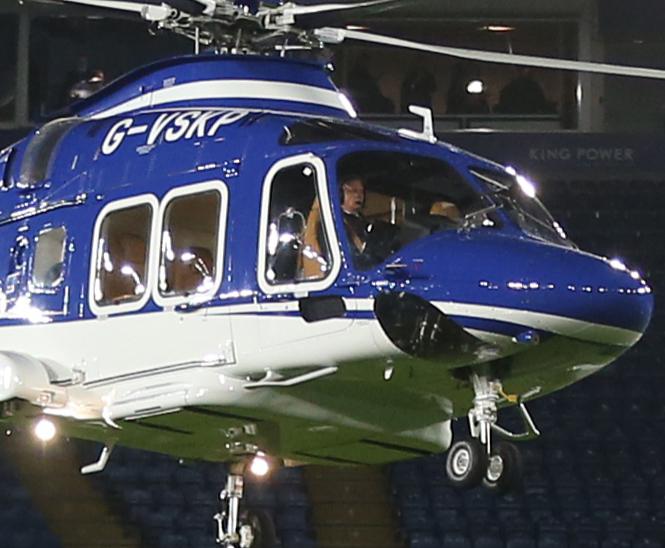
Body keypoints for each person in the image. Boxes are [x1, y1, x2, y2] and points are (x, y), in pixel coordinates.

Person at [340, 175, 369, 254]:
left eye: (361, 191)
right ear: (341, 193)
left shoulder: (363, 220)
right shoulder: (338, 221)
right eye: (354, 191)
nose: (359, 195)